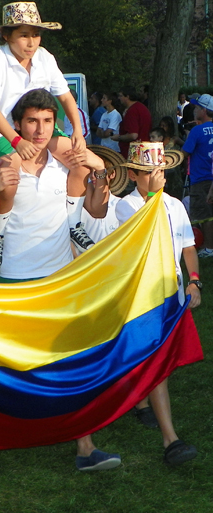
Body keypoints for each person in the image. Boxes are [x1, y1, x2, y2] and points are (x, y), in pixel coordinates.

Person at [0, 88, 120, 471]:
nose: (40, 130)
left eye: (47, 121)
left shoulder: (66, 167)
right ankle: (9, 433)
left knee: (70, 363)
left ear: (55, 124)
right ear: (18, 126)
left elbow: (97, 207)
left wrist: (99, 170)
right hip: (14, 281)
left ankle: (85, 447)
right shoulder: (5, 164)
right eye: (32, 122)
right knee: (15, 366)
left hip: (60, 279)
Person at [0, 2, 98, 272]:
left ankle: (74, 224)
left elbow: (65, 96)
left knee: (81, 161)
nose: (31, 42)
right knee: (10, 174)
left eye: (35, 34)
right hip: (2, 131)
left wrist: (77, 130)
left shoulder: (45, 57)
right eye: (23, 35)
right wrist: (16, 141)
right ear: (6, 36)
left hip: (40, 128)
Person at [115, 141, 200, 465]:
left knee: (158, 356)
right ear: (135, 175)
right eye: (151, 172)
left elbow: (187, 247)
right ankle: (170, 439)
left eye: (162, 170)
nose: (159, 176)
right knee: (154, 358)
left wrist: (193, 280)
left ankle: (139, 400)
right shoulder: (126, 207)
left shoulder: (175, 205)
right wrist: (153, 197)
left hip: (171, 293)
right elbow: (143, 242)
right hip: (143, 297)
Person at [182, 94, 213, 256]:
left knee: (205, 215)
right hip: (211, 175)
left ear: (204, 110)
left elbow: (185, 152)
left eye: (197, 107)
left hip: (201, 178)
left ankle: (208, 247)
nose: (194, 110)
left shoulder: (197, 130)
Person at [111, 86, 152, 158]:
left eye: (121, 96)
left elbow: (133, 135)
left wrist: (118, 137)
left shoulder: (132, 111)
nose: (119, 98)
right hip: (144, 149)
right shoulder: (140, 107)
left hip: (134, 152)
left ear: (127, 96)